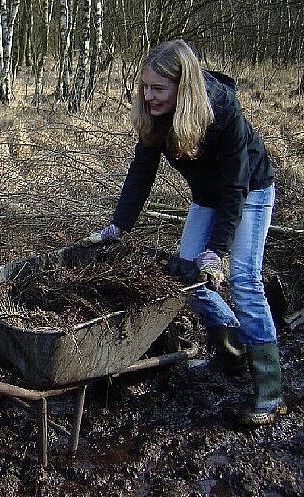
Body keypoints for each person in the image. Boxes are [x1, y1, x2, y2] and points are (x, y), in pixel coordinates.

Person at [93, 39, 285, 426]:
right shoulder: (156, 116)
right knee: (188, 275)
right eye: (144, 87)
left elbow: (235, 187)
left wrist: (217, 251)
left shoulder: (223, 111)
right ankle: (231, 350)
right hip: (207, 196)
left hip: (248, 192)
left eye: (158, 88)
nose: (149, 96)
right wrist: (118, 226)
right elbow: (141, 172)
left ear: (185, 86)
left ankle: (270, 392)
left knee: (244, 280)